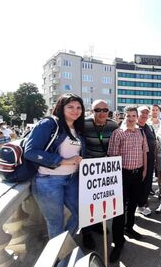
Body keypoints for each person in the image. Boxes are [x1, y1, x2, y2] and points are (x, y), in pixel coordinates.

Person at [25, 93, 85, 239]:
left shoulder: (77, 128)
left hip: (72, 179)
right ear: (60, 107)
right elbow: (30, 151)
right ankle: (60, 258)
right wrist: (63, 161)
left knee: (82, 214)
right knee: (55, 222)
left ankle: (64, 244)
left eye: (78, 107)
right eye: (70, 106)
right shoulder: (49, 124)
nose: (75, 110)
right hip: (48, 180)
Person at [107, 106, 149, 262]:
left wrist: (144, 169)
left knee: (132, 205)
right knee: (119, 209)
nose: (131, 118)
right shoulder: (118, 133)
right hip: (122, 174)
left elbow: (144, 151)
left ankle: (129, 228)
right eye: (128, 115)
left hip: (138, 173)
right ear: (124, 116)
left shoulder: (141, 132)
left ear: (137, 117)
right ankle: (118, 242)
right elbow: (112, 156)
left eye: (134, 115)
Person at [82, 99, 119, 249]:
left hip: (105, 170)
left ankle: (97, 225)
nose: (102, 113)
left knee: (101, 199)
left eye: (105, 110)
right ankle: (86, 234)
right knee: (87, 203)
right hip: (88, 171)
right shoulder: (84, 125)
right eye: (98, 110)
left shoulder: (113, 125)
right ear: (92, 111)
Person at [136, 105, 156, 216]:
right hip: (137, 162)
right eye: (141, 113)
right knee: (138, 185)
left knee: (147, 184)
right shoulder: (133, 127)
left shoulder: (149, 127)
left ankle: (141, 205)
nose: (144, 115)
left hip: (149, 161)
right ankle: (137, 205)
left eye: (146, 113)